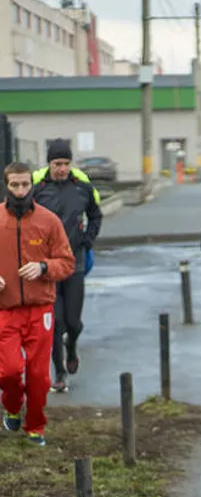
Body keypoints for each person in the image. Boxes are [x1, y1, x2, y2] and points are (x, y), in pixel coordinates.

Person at [0, 162, 75, 446]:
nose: (20, 191)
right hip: (5, 310)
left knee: (39, 375)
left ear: (32, 184)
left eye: (25, 185)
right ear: (6, 186)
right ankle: (11, 405)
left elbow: (67, 262)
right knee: (7, 371)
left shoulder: (48, 221)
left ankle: (35, 426)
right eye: (14, 185)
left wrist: (43, 268)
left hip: (40, 309)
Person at [33, 138, 103, 392]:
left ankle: (72, 347)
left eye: (65, 164)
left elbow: (96, 214)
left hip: (75, 262)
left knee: (73, 323)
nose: (61, 169)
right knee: (55, 323)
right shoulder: (37, 187)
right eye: (56, 164)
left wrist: (87, 239)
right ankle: (59, 373)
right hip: (48, 266)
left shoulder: (82, 186)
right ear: (49, 164)